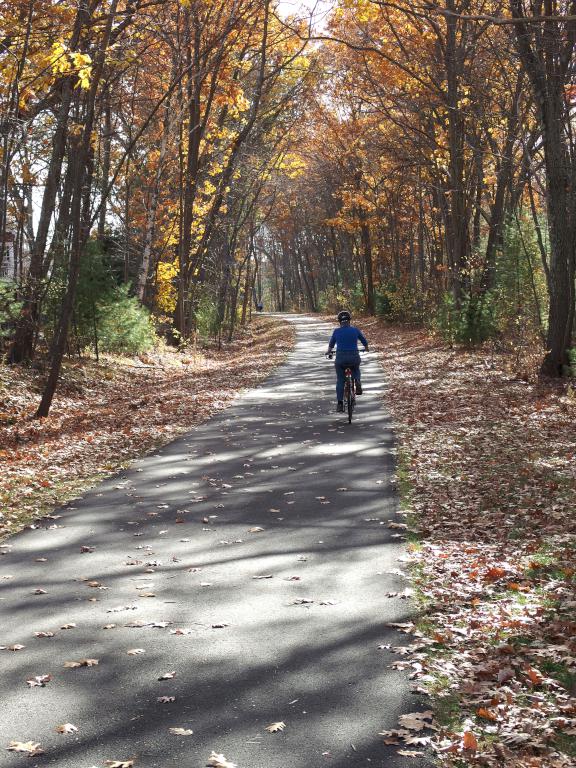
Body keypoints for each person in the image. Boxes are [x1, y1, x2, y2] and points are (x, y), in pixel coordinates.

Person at [327, 310, 369, 412]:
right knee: (356, 369)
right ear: (349, 321)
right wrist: (366, 348)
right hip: (354, 356)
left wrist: (329, 352)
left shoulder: (336, 331)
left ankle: (340, 404)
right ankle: (357, 380)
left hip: (341, 358)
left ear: (339, 322)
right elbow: (364, 341)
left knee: (340, 380)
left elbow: (331, 345)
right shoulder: (355, 330)